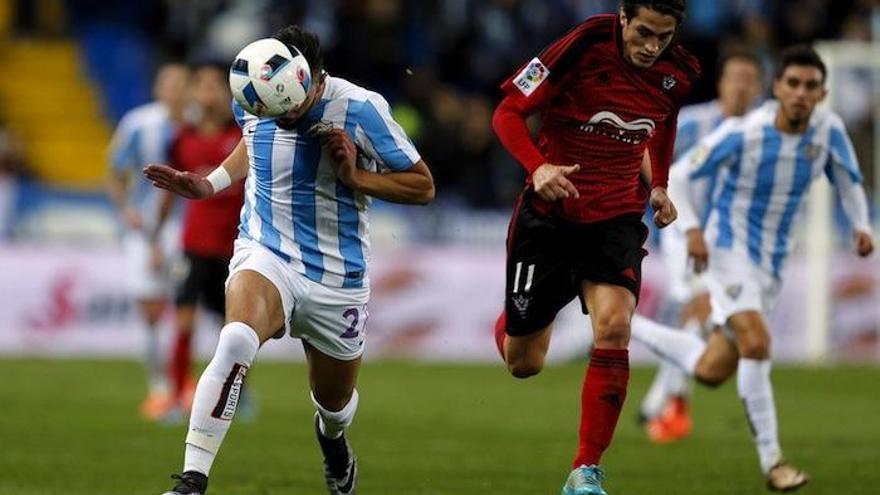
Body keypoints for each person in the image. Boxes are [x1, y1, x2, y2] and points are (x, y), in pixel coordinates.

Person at [146, 25, 435, 495]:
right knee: (236, 338)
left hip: (337, 275)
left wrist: (356, 176)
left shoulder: (361, 109)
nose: (280, 118)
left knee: (334, 402)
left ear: (312, 79)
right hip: (266, 250)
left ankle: (333, 440)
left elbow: (422, 186)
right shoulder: (254, 94)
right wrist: (210, 184)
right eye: (269, 111)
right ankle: (192, 481)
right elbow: (251, 143)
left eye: (290, 110)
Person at [631, 45, 874, 492]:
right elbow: (680, 176)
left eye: (811, 86)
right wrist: (695, 231)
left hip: (771, 266)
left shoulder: (828, 130)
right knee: (758, 342)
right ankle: (773, 461)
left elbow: (849, 180)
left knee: (710, 369)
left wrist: (860, 225)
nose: (801, 94)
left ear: (822, 92)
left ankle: (626, 327)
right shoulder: (746, 132)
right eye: (793, 84)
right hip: (726, 251)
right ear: (778, 88)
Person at [490, 1, 699, 494]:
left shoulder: (680, 71)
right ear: (623, 18)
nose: (651, 47)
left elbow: (660, 125)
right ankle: (512, 319)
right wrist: (537, 167)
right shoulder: (583, 44)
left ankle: (585, 471)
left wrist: (660, 185)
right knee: (525, 362)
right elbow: (507, 112)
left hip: (616, 220)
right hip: (550, 216)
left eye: (663, 38)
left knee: (614, 325)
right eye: (643, 33)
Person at [637, 47, 765, 443]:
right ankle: (669, 401)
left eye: (749, 80)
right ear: (722, 83)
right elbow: (646, 146)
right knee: (701, 310)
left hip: (734, 242)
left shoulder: (764, 132)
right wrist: (660, 188)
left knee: (705, 320)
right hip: (685, 232)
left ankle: (660, 400)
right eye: (735, 79)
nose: (741, 88)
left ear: (758, 87)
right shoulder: (695, 123)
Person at [154, 60, 247, 420]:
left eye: (215, 84)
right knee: (184, 321)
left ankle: (239, 394)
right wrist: (154, 240)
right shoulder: (181, 141)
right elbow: (168, 195)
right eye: (202, 84)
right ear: (192, 93)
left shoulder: (242, 138)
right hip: (194, 246)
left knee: (235, 332)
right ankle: (177, 396)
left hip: (235, 249)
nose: (209, 91)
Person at [107, 62, 189, 421]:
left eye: (180, 83)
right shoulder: (139, 123)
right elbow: (114, 169)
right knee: (151, 311)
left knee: (188, 311)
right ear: (158, 88)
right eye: (168, 82)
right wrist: (126, 209)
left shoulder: (201, 123)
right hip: (146, 228)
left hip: (189, 229)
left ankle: (182, 386)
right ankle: (159, 388)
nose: (174, 90)